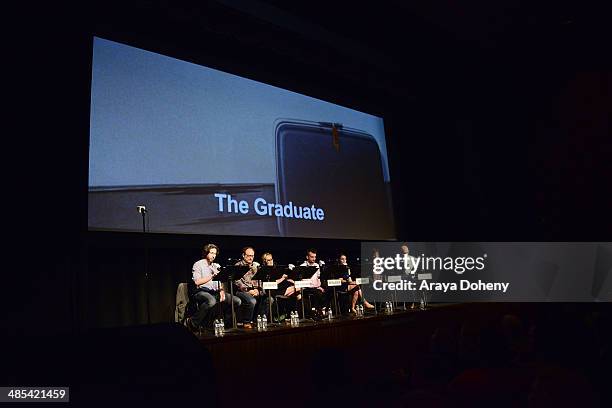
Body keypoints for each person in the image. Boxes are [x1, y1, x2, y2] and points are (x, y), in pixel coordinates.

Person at [186, 243, 241, 331]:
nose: (213, 255)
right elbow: (197, 282)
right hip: (200, 291)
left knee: (237, 301)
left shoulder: (216, 266)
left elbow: (220, 281)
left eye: (215, 253)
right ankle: (192, 322)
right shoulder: (198, 264)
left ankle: (224, 323)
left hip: (215, 292)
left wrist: (222, 291)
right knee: (211, 301)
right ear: (206, 253)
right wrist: (212, 276)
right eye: (211, 253)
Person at [233, 246, 269, 328]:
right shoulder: (238, 266)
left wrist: (257, 289)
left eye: (252, 256)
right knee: (252, 301)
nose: (250, 258)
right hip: (242, 291)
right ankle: (247, 322)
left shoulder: (256, 266)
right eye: (248, 255)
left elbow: (260, 280)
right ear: (243, 255)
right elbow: (237, 282)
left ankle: (259, 320)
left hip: (255, 289)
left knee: (269, 299)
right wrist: (248, 291)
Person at [300, 248, 331, 313]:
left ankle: (323, 309)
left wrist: (319, 286)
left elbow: (318, 278)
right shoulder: (302, 266)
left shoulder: (317, 266)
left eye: (315, 257)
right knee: (317, 293)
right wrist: (316, 287)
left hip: (315, 287)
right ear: (307, 257)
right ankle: (317, 311)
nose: (314, 259)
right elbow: (302, 281)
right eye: (312, 257)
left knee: (328, 290)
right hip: (306, 288)